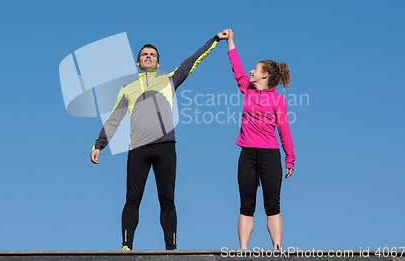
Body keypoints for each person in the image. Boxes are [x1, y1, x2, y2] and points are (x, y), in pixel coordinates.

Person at [90, 32, 229, 250]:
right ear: (137, 62)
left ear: (157, 62)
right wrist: (99, 144)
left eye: (152, 55)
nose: (148, 57)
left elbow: (192, 61)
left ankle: (171, 248)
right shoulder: (127, 89)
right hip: (138, 149)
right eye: (144, 54)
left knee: (167, 200)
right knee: (132, 199)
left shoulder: (169, 80)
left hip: (165, 148)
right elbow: (114, 118)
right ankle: (126, 246)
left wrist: (214, 40)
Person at [222, 29, 295, 250]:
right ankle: (243, 250)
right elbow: (237, 69)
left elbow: (284, 131)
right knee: (246, 206)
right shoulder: (248, 89)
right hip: (247, 154)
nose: (251, 71)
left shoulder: (278, 100)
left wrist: (290, 159)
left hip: (270, 155)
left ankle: (277, 248)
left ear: (264, 75)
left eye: (256, 69)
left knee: (272, 205)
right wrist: (231, 42)